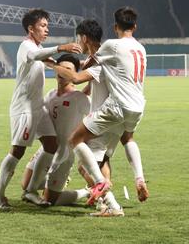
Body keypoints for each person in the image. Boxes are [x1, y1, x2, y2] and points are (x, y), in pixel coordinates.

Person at [53, 18, 148, 216]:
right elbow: (91, 86)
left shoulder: (100, 60)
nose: (78, 41)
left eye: (79, 37)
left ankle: (110, 203)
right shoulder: (108, 58)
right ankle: (106, 198)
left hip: (105, 120)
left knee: (83, 163)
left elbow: (77, 78)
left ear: (84, 38)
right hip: (118, 121)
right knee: (102, 161)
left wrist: (50, 63)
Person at [0, 8, 81, 211]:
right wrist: (61, 46)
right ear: (31, 29)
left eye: (47, 26)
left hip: (37, 107)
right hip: (24, 109)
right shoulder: (26, 46)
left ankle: (30, 190)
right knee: (17, 151)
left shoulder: (38, 49)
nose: (46, 29)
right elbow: (36, 55)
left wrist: (82, 64)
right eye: (42, 26)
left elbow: (55, 64)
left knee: (51, 144)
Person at [21, 54, 91, 206]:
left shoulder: (80, 98)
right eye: (61, 68)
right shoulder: (50, 95)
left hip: (64, 153)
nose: (63, 72)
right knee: (25, 185)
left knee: (50, 200)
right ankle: (52, 182)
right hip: (46, 150)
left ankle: (86, 192)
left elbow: (95, 119)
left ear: (74, 74)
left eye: (68, 69)